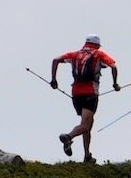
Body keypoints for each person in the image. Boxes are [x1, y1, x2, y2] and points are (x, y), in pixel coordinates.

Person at [50, 34, 120, 162]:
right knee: (86, 126)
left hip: (75, 94)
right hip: (90, 93)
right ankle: (68, 137)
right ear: (97, 45)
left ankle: (87, 155)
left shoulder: (75, 54)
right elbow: (114, 66)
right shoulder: (99, 54)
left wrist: (54, 80)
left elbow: (55, 60)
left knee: (88, 124)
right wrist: (115, 83)